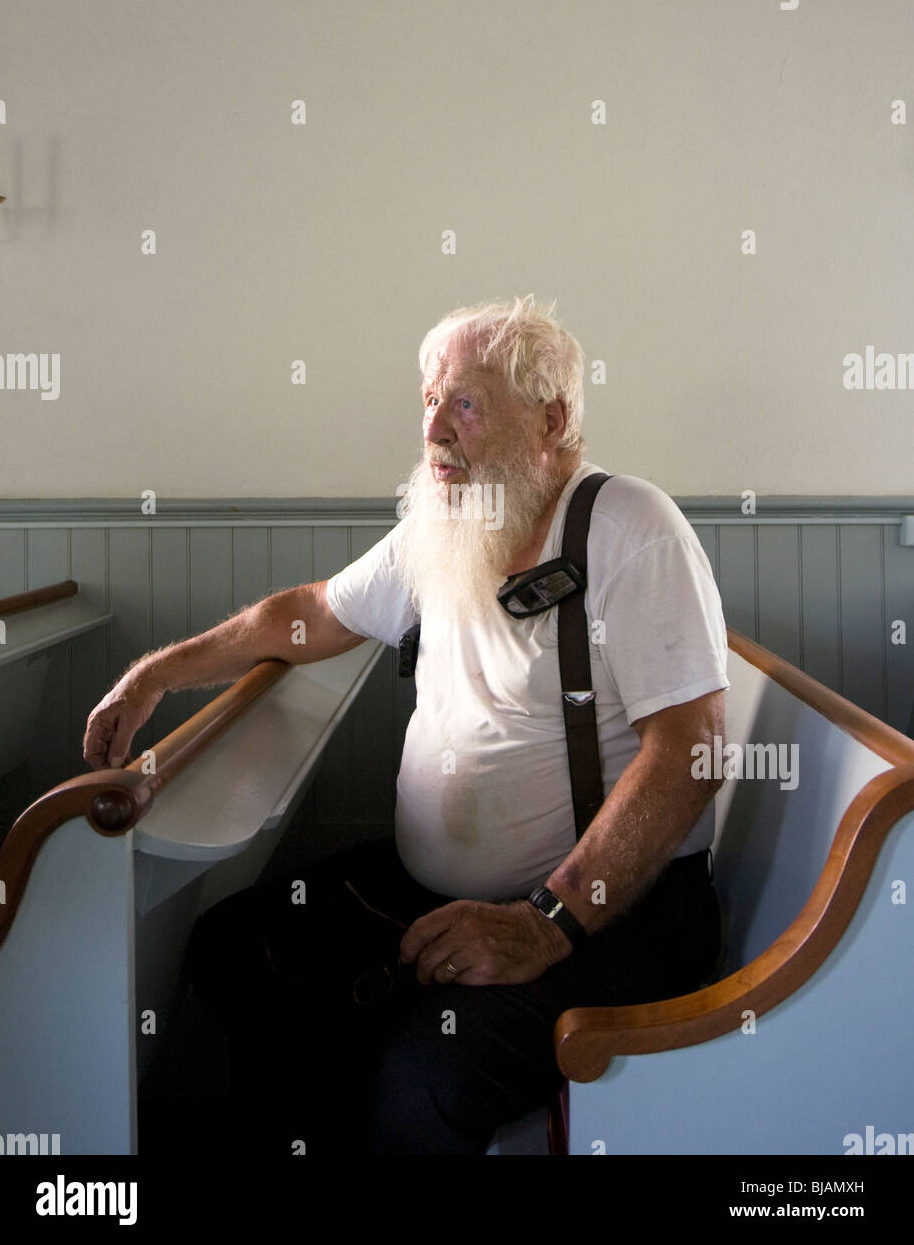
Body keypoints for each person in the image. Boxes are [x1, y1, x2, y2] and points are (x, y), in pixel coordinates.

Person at [83, 294, 729, 1156]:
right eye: (429, 400)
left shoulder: (631, 529)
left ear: (553, 418)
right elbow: (310, 614)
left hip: (609, 913)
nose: (435, 429)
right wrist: (159, 671)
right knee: (236, 950)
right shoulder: (445, 522)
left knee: (424, 1082)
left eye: (465, 403)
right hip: (431, 889)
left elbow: (693, 753)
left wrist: (547, 923)